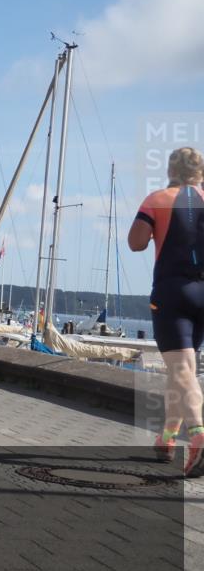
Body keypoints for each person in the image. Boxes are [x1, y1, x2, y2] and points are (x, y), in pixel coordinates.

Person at [128, 147, 204, 477]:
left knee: (182, 368)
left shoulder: (157, 198)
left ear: (171, 169)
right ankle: (167, 439)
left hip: (173, 291)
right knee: (183, 370)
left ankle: (199, 437)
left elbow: (136, 242)